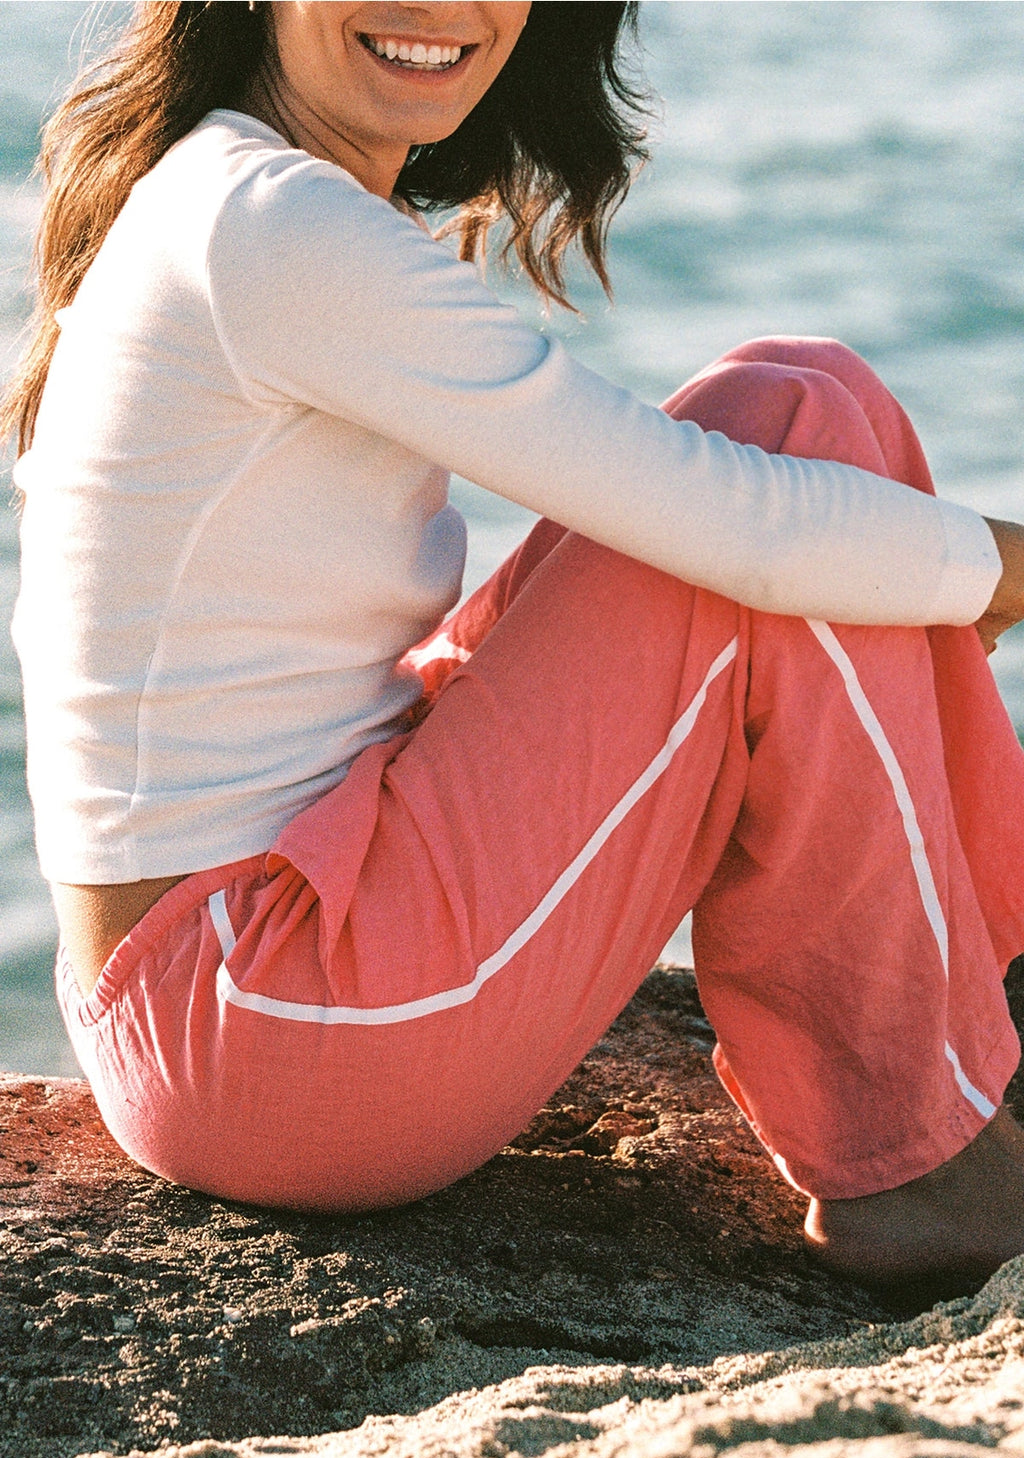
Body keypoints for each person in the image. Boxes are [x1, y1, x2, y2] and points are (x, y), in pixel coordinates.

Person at [5, 0, 1024, 1292]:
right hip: (265, 1027)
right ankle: (912, 1160)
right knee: (781, 502)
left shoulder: (238, 193)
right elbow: (733, 526)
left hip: (258, 958)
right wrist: (996, 570)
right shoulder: (267, 222)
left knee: (800, 397)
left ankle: (970, 1003)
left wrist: (949, 573)